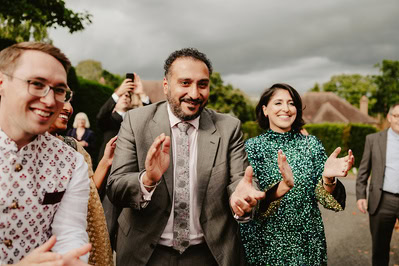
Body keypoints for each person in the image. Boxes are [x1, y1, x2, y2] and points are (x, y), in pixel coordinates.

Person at [106, 48, 264, 266]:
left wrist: (242, 199)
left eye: (202, 84)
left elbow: (239, 180)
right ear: (166, 85)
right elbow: (115, 187)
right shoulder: (135, 122)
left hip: (208, 253)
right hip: (145, 254)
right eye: (185, 83)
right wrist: (147, 181)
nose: (195, 94)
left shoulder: (229, 127)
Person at [239, 83, 354, 265]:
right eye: (278, 103)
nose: (286, 108)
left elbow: (326, 200)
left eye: (291, 103)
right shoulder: (251, 147)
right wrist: (281, 188)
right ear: (265, 109)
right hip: (265, 241)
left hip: (307, 241)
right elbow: (251, 204)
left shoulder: (312, 144)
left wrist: (328, 178)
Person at [0, 42, 91, 265]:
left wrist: (71, 259)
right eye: (37, 84)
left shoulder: (71, 161)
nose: (50, 101)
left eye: (59, 90)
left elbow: (70, 231)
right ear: (1, 83)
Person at [48, 101, 116, 266]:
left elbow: (90, 193)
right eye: (60, 95)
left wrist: (105, 162)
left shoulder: (73, 149)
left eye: (69, 99)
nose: (69, 107)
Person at [356, 102, 399, 266]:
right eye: (397, 116)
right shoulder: (373, 140)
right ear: (389, 117)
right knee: (380, 251)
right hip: (382, 201)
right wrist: (361, 195)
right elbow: (363, 170)